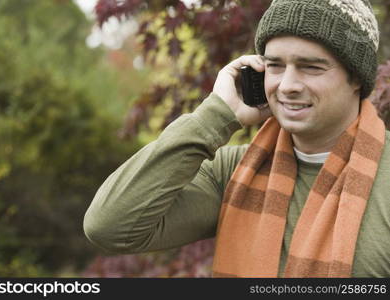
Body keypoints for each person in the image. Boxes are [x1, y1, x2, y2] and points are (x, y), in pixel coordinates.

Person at [84, 0, 390, 277]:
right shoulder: (234, 171)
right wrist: (215, 116)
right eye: (275, 66)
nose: (287, 85)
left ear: (355, 79)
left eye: (310, 67)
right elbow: (110, 227)